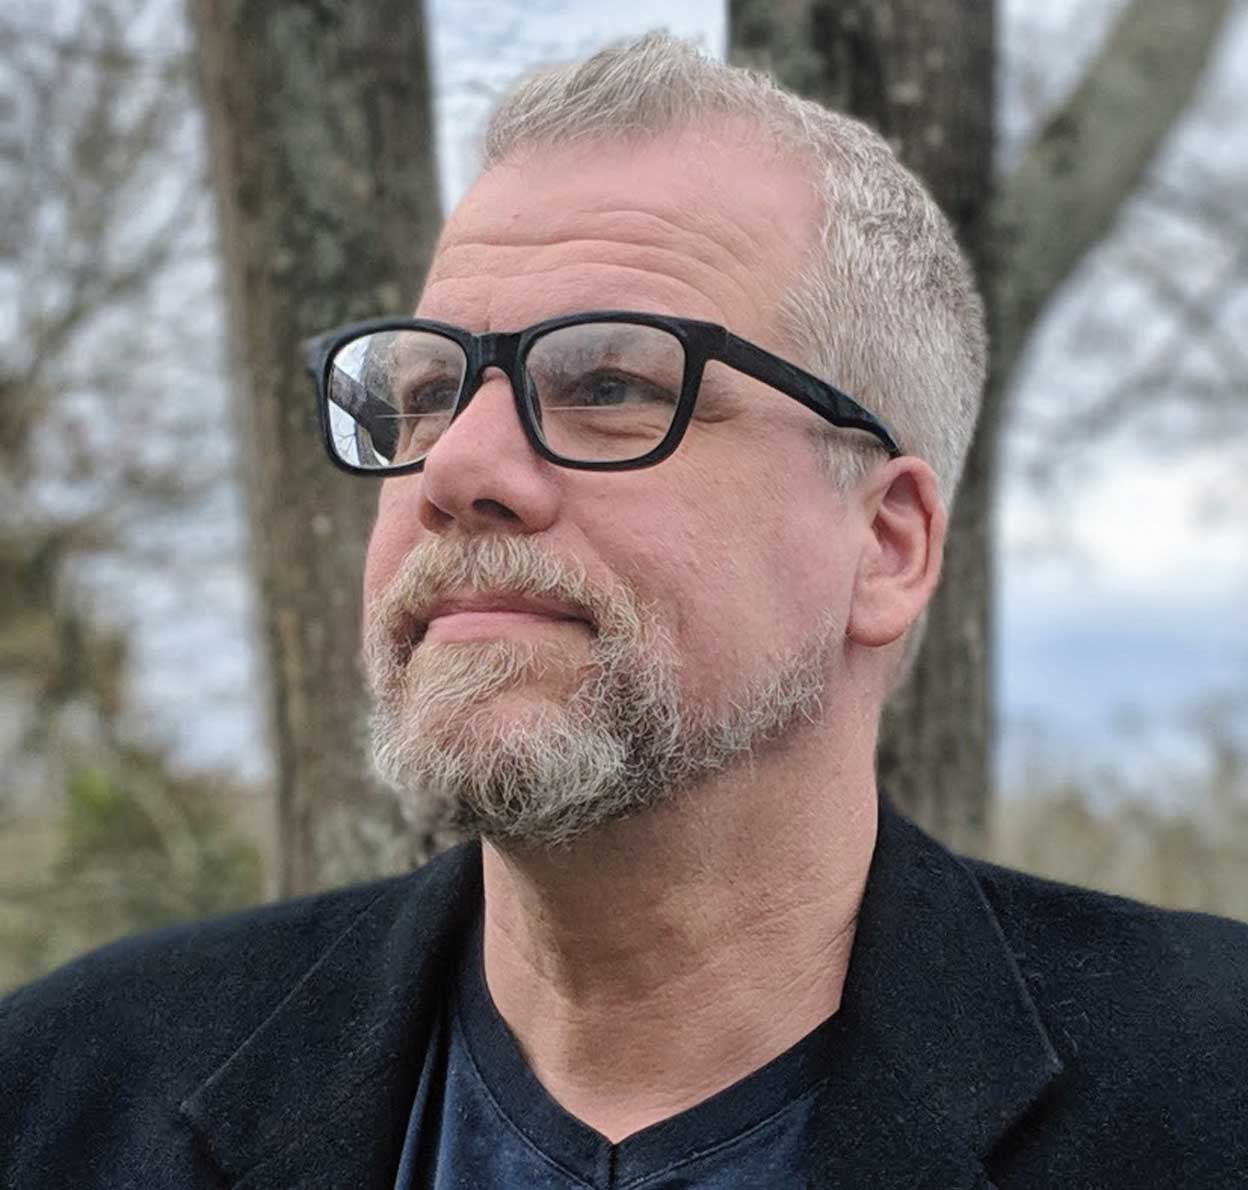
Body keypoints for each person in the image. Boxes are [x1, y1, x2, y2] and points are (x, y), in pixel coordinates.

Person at [3, 32, 1246, 1190]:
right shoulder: (65, 1093)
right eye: (427, 392)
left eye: (607, 383)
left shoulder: (1208, 1092)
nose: (454, 466)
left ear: (885, 544)